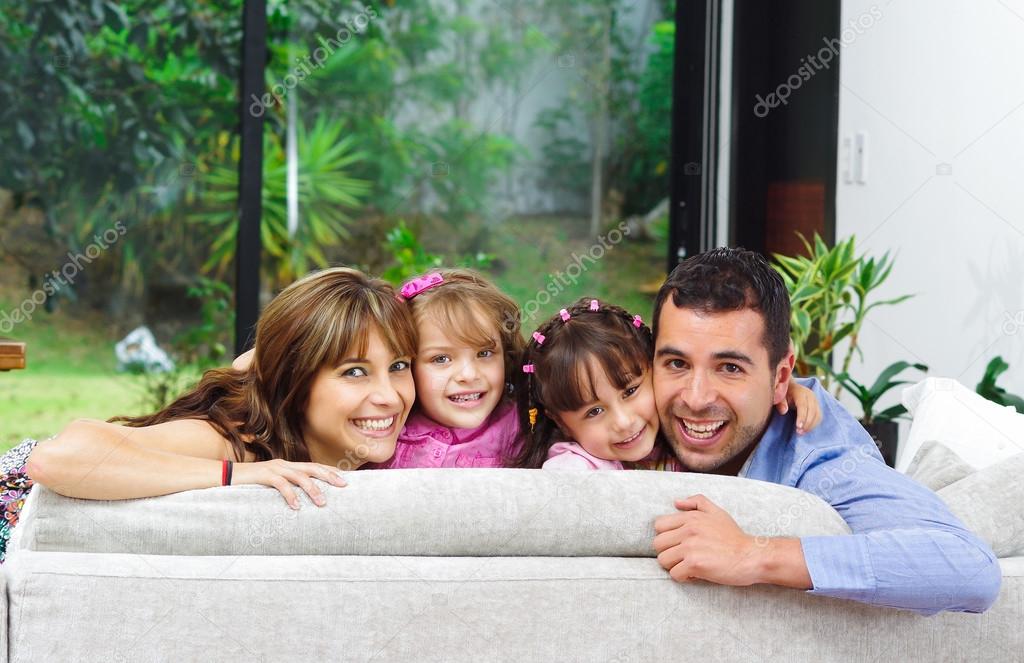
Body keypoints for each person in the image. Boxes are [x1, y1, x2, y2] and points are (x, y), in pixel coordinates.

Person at [648, 247, 1001, 614]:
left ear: (780, 377)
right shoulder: (633, 417)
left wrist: (752, 554)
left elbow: (971, 568)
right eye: (677, 363)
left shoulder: (825, 461)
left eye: (730, 368)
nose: (696, 397)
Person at [22, 267, 417, 524]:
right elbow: (55, 459)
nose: (389, 397)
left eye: (399, 366)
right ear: (293, 382)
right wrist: (239, 475)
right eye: (354, 372)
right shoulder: (238, 439)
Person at [511, 297, 821, 470]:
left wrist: (783, 389)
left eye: (630, 391)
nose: (624, 421)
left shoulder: (678, 433)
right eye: (593, 412)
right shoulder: (576, 467)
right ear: (561, 422)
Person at [365, 269, 525, 469]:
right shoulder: (383, 432)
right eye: (441, 359)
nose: (468, 375)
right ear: (409, 367)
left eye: (484, 354)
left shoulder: (526, 427)